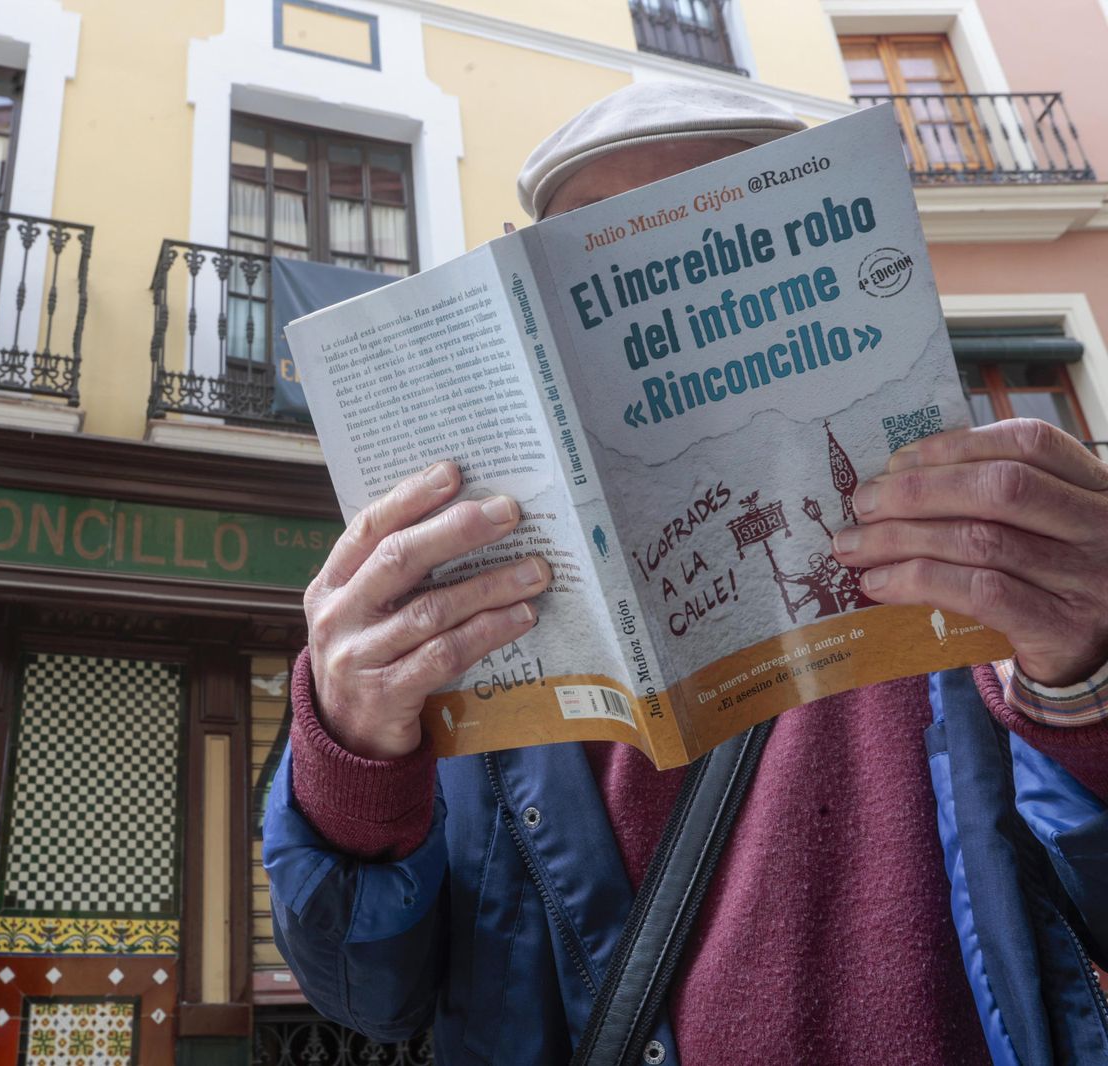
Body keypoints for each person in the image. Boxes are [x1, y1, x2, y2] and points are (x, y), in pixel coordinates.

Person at [264, 81, 1108, 1065]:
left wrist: (1086, 679)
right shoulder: (471, 635)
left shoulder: (990, 578)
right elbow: (369, 994)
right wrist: (351, 746)